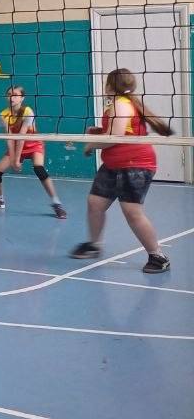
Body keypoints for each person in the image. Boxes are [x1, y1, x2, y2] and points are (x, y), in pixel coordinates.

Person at [71, 68, 172, 274]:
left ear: (110, 86)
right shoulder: (118, 104)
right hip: (114, 164)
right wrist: (97, 132)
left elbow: (115, 137)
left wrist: (91, 145)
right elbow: (120, 131)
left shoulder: (121, 104)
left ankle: (158, 256)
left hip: (135, 165)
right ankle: (94, 245)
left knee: (132, 212)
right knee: (95, 203)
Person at [0, 86, 67, 219]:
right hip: (16, 145)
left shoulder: (27, 111)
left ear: (22, 98)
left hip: (33, 144)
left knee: (39, 169)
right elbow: (10, 138)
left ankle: (57, 203)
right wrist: (13, 159)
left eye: (15, 95)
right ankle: (0, 200)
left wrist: (16, 160)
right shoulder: (3, 115)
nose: (12, 97)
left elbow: (22, 136)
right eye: (9, 94)